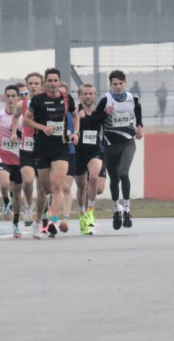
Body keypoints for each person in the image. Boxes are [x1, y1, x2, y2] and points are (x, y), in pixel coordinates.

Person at [93, 69, 143, 229]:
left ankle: (127, 210)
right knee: (114, 179)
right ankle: (116, 210)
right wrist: (105, 114)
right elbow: (94, 119)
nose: (118, 87)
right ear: (111, 84)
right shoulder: (105, 100)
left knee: (123, 173)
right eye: (115, 84)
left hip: (128, 142)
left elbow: (138, 111)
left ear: (125, 83)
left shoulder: (132, 98)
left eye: (121, 84)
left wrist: (139, 126)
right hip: (109, 144)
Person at [28, 68, 75, 237]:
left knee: (57, 186)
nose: (53, 84)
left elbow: (75, 116)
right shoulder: (38, 100)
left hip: (60, 147)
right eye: (50, 81)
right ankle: (46, 215)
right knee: (46, 188)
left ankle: (53, 221)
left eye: (56, 80)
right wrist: (42, 128)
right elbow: (27, 119)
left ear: (59, 81)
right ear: (45, 83)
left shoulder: (67, 99)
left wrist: (75, 132)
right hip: (42, 147)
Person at [0, 84, 26, 238]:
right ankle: (5, 201)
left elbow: (28, 134)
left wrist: (18, 133)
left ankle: (15, 224)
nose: (10, 99)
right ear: (4, 98)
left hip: (20, 158)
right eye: (8, 96)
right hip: (3, 156)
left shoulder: (22, 117)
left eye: (13, 96)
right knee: (4, 184)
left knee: (18, 192)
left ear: (18, 98)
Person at [72, 82, 107, 234]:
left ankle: (90, 212)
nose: (87, 96)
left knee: (93, 178)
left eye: (90, 94)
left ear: (95, 95)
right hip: (78, 153)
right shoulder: (75, 112)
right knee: (81, 187)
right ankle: (81, 215)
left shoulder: (101, 112)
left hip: (95, 152)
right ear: (80, 96)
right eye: (84, 94)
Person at [14, 72, 45, 234]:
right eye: (30, 83)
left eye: (36, 83)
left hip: (43, 148)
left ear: (42, 85)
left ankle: (39, 221)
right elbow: (15, 116)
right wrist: (14, 132)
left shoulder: (48, 102)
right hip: (26, 148)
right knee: (27, 181)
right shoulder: (22, 104)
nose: (33, 86)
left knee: (42, 188)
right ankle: (28, 205)